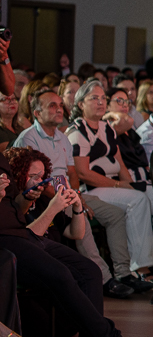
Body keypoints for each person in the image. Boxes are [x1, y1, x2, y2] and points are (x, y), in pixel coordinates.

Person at [0, 147, 153, 337]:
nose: (39, 181)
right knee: (61, 273)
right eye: (32, 175)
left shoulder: (42, 196)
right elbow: (30, 229)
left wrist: (77, 209)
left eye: (42, 176)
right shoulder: (31, 200)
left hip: (24, 235)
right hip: (16, 238)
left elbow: (74, 234)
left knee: (89, 270)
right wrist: (50, 206)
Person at [13, 90, 137, 299]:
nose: (59, 109)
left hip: (69, 193)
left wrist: (76, 194)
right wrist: (72, 200)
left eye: (60, 105)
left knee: (115, 214)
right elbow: (33, 182)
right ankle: (104, 279)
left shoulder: (62, 137)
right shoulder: (29, 138)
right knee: (81, 218)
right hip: (44, 198)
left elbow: (72, 172)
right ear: (37, 113)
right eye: (52, 106)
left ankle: (123, 273)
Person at [66, 80, 153, 291]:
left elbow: (119, 163)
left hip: (112, 185)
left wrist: (128, 183)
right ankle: (138, 267)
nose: (100, 102)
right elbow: (82, 173)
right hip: (92, 189)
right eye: (94, 98)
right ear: (80, 104)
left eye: (102, 98)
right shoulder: (77, 131)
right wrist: (120, 186)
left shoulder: (106, 127)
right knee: (137, 200)